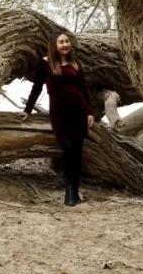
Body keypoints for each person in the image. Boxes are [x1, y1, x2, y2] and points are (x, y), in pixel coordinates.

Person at [19, 33, 95, 207]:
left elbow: (83, 89)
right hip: (60, 112)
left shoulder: (75, 64)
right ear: (54, 45)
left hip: (78, 110)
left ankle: (74, 191)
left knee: (77, 151)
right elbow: (37, 87)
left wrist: (89, 112)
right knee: (67, 148)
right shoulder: (45, 63)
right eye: (61, 42)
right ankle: (69, 191)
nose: (65, 44)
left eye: (67, 41)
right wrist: (27, 110)